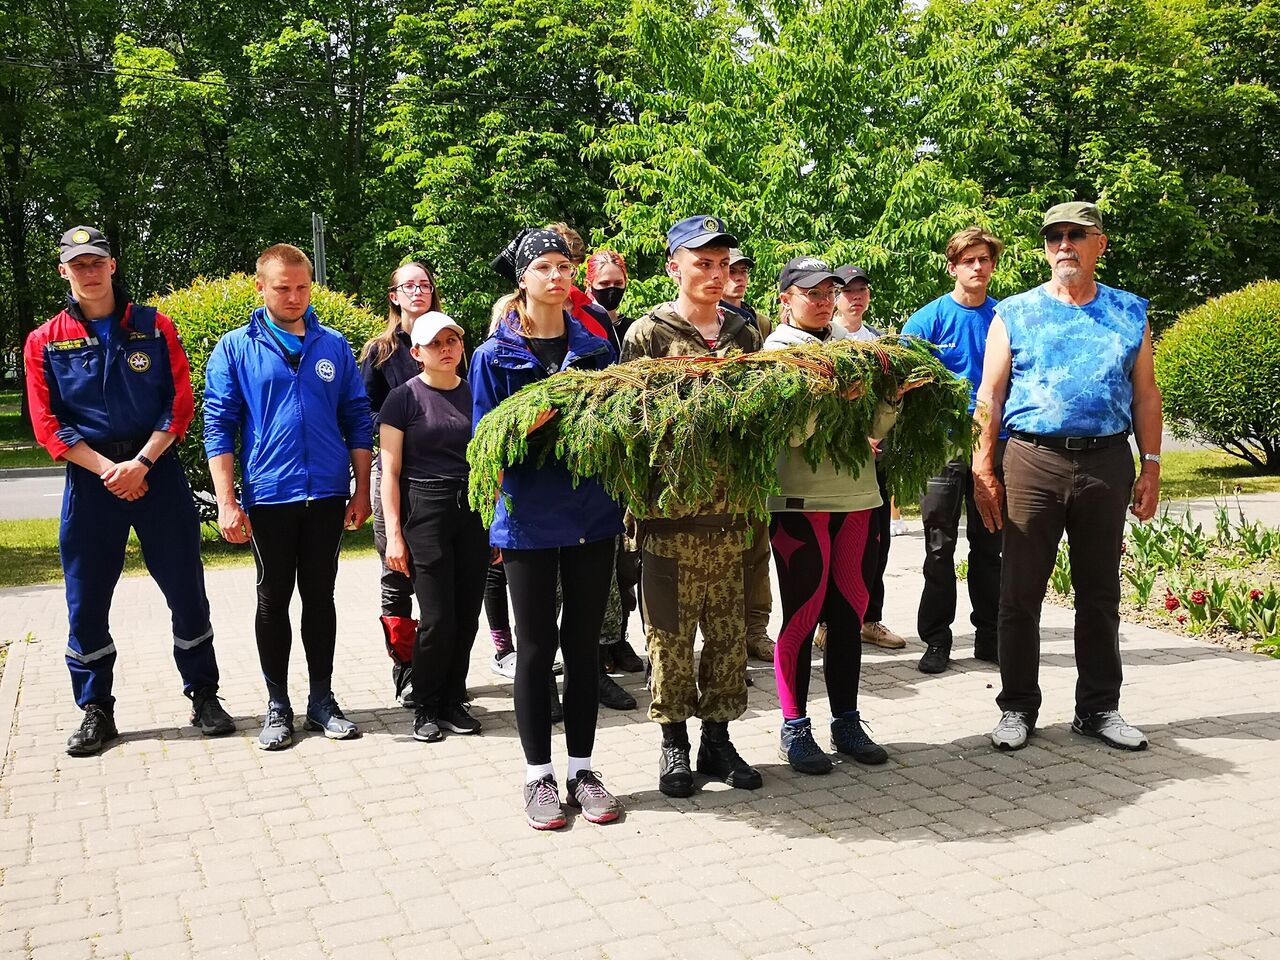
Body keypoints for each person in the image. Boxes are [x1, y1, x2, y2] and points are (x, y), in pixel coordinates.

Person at [25, 225, 234, 756]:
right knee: (86, 599)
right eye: (78, 264)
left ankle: (204, 694)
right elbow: (47, 422)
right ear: (64, 271)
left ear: (112, 266)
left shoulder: (154, 326)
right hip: (92, 478)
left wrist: (140, 463)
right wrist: (109, 470)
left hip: (156, 470)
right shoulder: (44, 340)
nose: (88, 272)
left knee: (186, 590)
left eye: (97, 261)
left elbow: (180, 403)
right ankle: (97, 709)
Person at [973, 201, 1162, 753]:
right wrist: (984, 463)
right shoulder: (1017, 311)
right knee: (1019, 593)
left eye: (1075, 235)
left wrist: (1150, 464)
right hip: (1033, 460)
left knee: (1100, 592)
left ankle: (1099, 707)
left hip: (1106, 461)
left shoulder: (1130, 311)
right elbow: (992, 394)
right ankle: (1017, 707)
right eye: (1053, 236)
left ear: (1099, 243)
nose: (1063, 245)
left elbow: (1146, 393)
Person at [474, 227, 625, 830]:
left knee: (585, 648)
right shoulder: (493, 354)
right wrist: (534, 425)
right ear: (522, 278)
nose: (557, 276)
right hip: (528, 521)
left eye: (565, 266)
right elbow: (484, 441)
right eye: (543, 267)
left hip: (592, 514)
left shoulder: (597, 345)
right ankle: (537, 777)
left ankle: (583, 769)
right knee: (535, 651)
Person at [204, 243, 373, 751]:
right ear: (261, 286)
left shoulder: (334, 345)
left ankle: (322, 702)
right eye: (283, 288)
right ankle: (278, 706)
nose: (295, 296)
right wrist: (227, 501)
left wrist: (361, 489)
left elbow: (358, 418)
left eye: (302, 287)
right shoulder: (236, 347)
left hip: (324, 494)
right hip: (269, 496)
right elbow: (219, 425)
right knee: (273, 598)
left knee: (321, 597)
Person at [622, 215, 764, 799]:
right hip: (669, 516)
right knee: (670, 636)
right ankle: (673, 742)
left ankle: (718, 739)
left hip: (730, 514)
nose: (714, 273)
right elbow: (628, 425)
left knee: (729, 635)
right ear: (674, 266)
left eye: (722, 264)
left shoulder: (743, 333)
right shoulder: (647, 334)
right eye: (701, 263)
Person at [763, 256, 915, 774]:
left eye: (830, 290)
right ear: (785, 298)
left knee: (849, 614)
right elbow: (789, 435)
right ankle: (793, 728)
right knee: (803, 616)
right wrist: (831, 396)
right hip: (800, 503)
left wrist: (890, 396)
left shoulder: (851, 348)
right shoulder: (776, 356)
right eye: (812, 291)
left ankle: (846, 722)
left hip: (859, 500)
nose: (825, 298)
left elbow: (872, 431)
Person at [378, 311, 488, 742]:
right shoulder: (402, 399)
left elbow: (490, 462)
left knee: (467, 615)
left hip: (474, 510)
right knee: (438, 616)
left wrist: (496, 521)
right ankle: (424, 702)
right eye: (435, 343)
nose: (446, 349)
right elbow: (390, 473)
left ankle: (452, 699)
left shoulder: (478, 395)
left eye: (453, 341)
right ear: (417, 352)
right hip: (425, 510)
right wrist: (394, 536)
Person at [902, 227, 1006, 674]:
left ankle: (990, 637)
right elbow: (905, 381)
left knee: (991, 544)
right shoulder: (927, 320)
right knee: (939, 547)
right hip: (941, 446)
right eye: (969, 261)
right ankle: (937, 639)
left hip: (995, 444)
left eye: (984, 260)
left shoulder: (1006, 317)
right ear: (953, 267)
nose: (977, 267)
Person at [359, 260, 442, 707]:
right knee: (397, 571)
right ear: (393, 295)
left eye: (424, 284)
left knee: (439, 573)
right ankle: (406, 668)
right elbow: (362, 411)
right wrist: (404, 424)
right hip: (391, 467)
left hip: (444, 474)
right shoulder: (379, 352)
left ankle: (439, 667)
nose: (417, 291)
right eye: (408, 285)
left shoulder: (452, 341)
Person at [830, 265, 906, 653]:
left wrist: (877, 436)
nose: (855, 297)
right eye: (847, 291)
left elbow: (892, 397)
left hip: (878, 459)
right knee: (836, 544)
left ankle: (869, 619)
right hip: (837, 460)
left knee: (877, 545)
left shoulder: (882, 343)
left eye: (862, 290)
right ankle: (828, 623)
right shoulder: (825, 340)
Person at [584, 250, 647, 698]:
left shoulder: (631, 330)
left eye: (617, 281)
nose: (611, 288)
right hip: (594, 459)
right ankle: (590, 651)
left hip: (629, 460)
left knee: (627, 562)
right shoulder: (584, 322)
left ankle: (617, 638)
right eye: (603, 282)